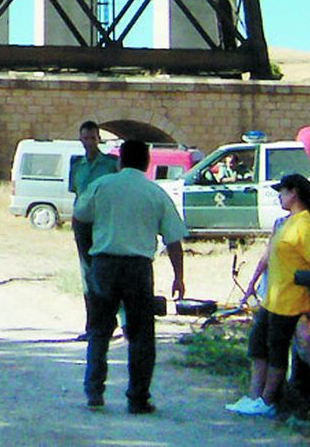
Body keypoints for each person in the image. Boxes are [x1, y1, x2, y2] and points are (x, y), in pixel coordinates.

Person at [73, 139, 187, 414]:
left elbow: (80, 216)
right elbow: (173, 239)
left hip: (104, 263)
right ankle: (138, 397)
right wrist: (178, 277)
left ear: (120, 160)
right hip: (138, 268)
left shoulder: (102, 186)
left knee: (99, 330)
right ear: (148, 162)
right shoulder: (155, 193)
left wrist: (89, 253)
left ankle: (94, 391)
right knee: (141, 335)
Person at [227, 173, 310, 417]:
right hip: (272, 297)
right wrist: (253, 284)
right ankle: (254, 396)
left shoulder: (304, 225)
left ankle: (268, 400)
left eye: (282, 192)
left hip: (289, 302)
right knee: (257, 347)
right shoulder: (289, 222)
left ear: (294, 193)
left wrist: (309, 283)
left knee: (276, 352)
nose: (280, 197)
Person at [67, 121, 118, 341]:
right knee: (88, 275)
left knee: (108, 271)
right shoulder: (77, 165)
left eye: (92, 138)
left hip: (105, 222)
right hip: (83, 224)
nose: (89, 143)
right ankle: (93, 326)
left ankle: (114, 322)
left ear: (99, 139)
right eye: (85, 138)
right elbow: (76, 192)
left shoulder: (110, 164)